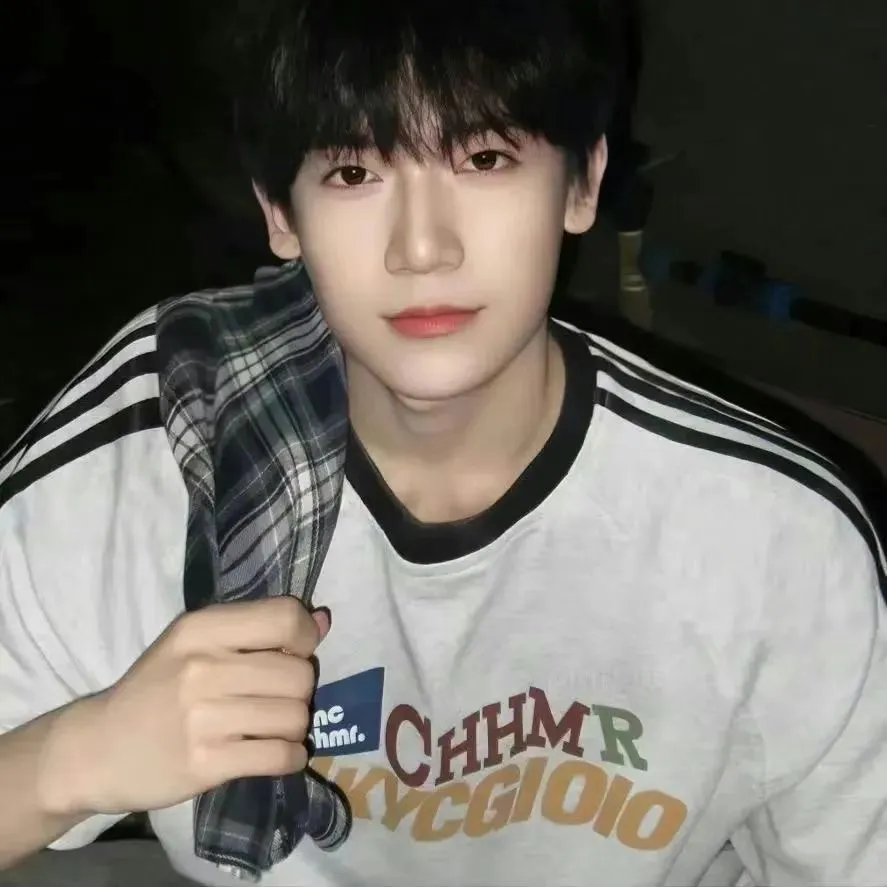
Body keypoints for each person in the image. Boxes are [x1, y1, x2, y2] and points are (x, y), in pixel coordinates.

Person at [2, 1, 886, 884]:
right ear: (280, 212)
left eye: (485, 158)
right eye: (353, 172)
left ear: (582, 184)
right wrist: (69, 757)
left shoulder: (777, 540)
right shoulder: (161, 446)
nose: (421, 247)